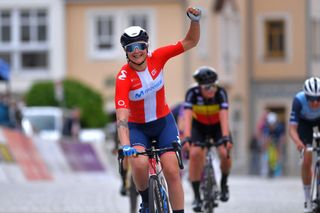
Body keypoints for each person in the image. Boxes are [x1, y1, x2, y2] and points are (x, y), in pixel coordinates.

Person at [115, 6, 201, 213]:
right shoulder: (123, 77)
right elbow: (122, 117)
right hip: (137, 127)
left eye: (140, 45)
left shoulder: (158, 57)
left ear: (147, 46)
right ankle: (145, 199)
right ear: (126, 52)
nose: (136, 51)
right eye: (130, 47)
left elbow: (190, 42)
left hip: (163, 123)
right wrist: (125, 144)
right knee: (138, 163)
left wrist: (195, 21)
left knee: (172, 170)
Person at [182, 66, 233, 212]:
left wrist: (225, 137)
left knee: (224, 153)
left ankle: (223, 183)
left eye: (214, 86)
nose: (212, 90)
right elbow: (187, 118)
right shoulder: (192, 94)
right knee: (195, 154)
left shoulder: (221, 93)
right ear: (200, 87)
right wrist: (186, 138)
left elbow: (224, 116)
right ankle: (197, 196)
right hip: (199, 128)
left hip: (217, 127)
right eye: (208, 87)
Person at [289, 77, 320, 213]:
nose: (315, 103)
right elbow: (292, 129)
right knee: (307, 159)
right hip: (304, 123)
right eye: (311, 99)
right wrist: (298, 143)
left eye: (318, 99)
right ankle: (307, 198)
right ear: (306, 97)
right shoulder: (298, 101)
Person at [260, 112, 285, 178]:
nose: (272, 126)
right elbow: (264, 138)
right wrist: (264, 146)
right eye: (270, 124)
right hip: (269, 146)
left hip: (276, 145)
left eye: (273, 124)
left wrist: (280, 147)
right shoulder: (266, 128)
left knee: (278, 157)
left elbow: (281, 139)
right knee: (266, 156)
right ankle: (266, 170)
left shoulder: (279, 128)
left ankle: (277, 171)